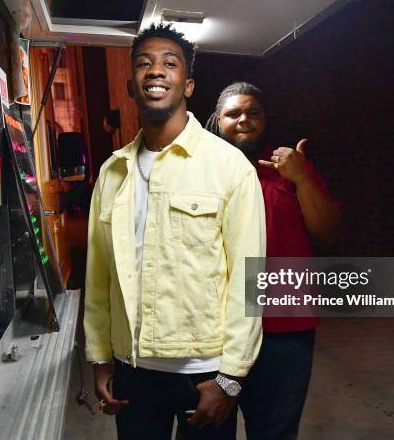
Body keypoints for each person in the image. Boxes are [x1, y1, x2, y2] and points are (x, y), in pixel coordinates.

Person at [83, 24, 266, 440]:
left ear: (188, 84)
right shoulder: (113, 172)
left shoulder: (229, 167)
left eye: (169, 63)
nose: (155, 71)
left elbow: (248, 279)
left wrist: (231, 379)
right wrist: (100, 359)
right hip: (132, 372)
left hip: (203, 376)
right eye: (144, 64)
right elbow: (99, 278)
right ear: (131, 85)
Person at [206, 82, 342, 440]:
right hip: (218, 331)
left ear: (266, 120)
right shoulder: (204, 173)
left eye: (254, 112)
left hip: (285, 331)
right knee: (210, 430)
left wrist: (299, 177)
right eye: (234, 113)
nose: (244, 119)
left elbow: (328, 231)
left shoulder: (290, 167)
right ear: (217, 121)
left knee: (275, 433)